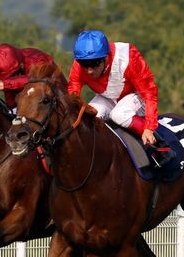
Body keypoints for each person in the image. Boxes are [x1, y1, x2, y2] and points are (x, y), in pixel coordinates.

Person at [67, 29, 175, 168]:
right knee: (90, 117)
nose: (89, 71)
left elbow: (149, 93)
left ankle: (162, 147)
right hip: (108, 97)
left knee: (119, 114)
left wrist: (148, 128)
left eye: (94, 64)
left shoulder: (128, 57)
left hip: (136, 95)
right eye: (84, 64)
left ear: (106, 57)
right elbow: (73, 89)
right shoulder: (80, 63)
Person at [0, 43, 58, 112]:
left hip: (59, 107)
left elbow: (33, 80)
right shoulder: (13, 64)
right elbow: (11, 101)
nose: (8, 80)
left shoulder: (37, 58)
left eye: (11, 76)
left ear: (20, 65)